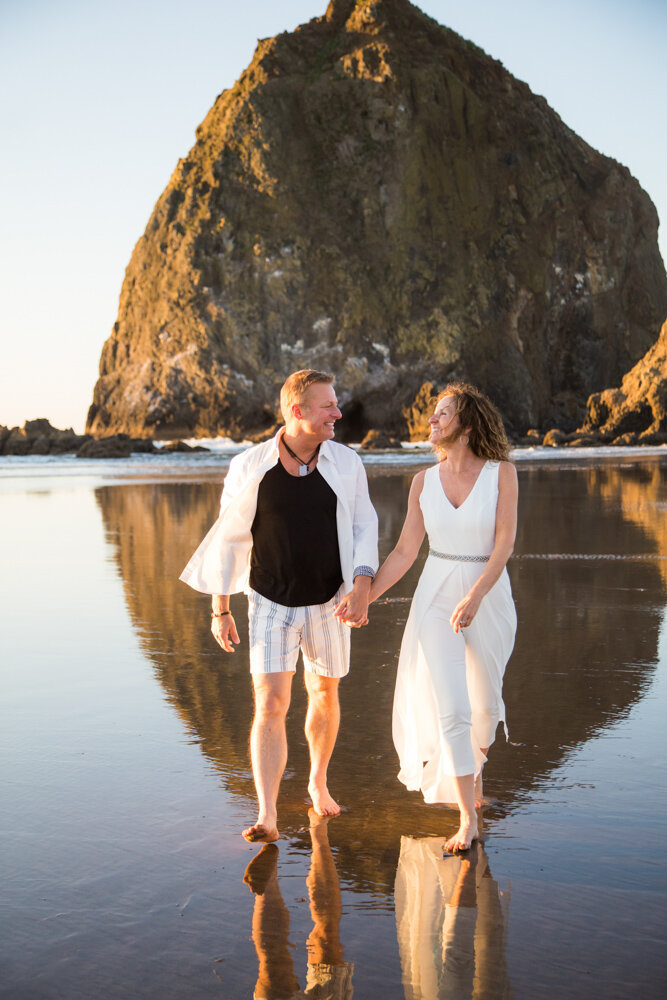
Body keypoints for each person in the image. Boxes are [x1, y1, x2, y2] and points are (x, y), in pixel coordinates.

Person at [179, 369, 378, 844]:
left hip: (330, 600)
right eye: (328, 406)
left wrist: (363, 584)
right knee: (270, 703)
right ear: (298, 411)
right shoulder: (250, 465)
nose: (338, 413)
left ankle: (317, 781)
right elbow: (227, 539)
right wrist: (220, 609)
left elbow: (364, 527)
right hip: (269, 600)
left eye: (335, 404)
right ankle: (267, 813)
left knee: (325, 695)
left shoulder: (347, 463)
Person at [339, 383, 517, 853]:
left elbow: (504, 546)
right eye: (434, 414)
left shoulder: (502, 475)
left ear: (468, 424)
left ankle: (473, 787)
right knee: (452, 708)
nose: (432, 421)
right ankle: (465, 819)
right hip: (436, 597)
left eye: (443, 414)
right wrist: (366, 598)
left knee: (482, 706)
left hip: (489, 596)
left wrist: (477, 596)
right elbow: (402, 553)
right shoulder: (423, 481)